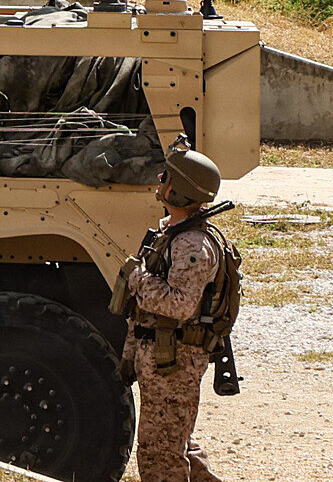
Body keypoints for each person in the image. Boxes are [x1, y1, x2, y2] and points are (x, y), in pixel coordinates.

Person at [119, 150, 230, 482]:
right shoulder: (171, 233)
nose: (159, 181)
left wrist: (136, 277)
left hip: (175, 363)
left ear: (179, 190)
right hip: (162, 358)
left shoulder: (192, 246)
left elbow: (180, 304)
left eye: (166, 177)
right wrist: (130, 354)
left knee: (160, 456)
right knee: (176, 446)